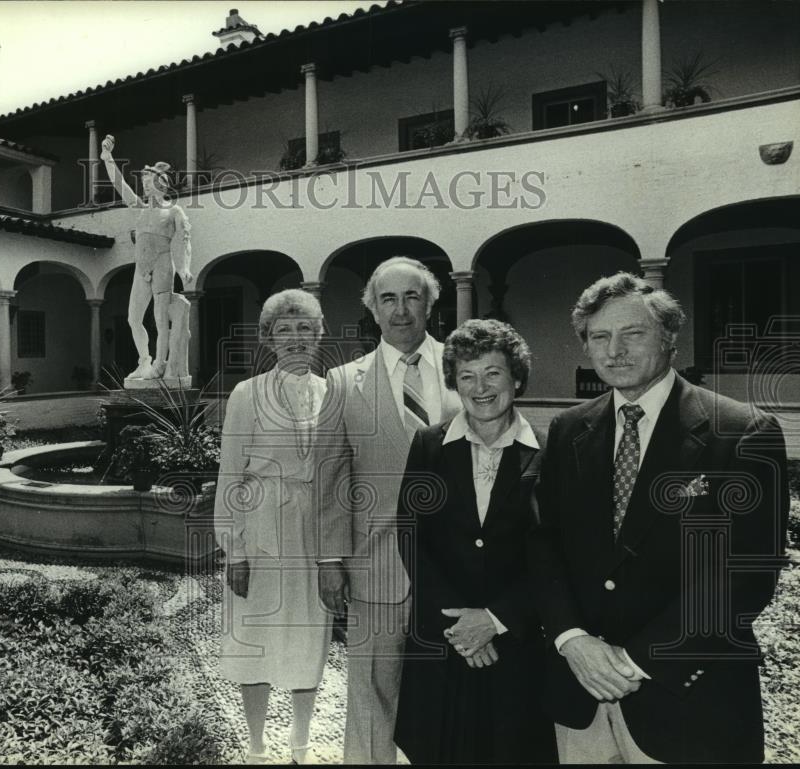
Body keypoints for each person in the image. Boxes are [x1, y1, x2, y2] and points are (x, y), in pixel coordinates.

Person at [530, 272, 789, 763]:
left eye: (633, 333)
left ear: (670, 338)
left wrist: (633, 661)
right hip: (579, 693)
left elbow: (746, 574)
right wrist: (571, 639)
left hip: (688, 700)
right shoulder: (568, 430)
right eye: (599, 337)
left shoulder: (741, 433)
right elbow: (544, 544)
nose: (615, 350)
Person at [314, 256, 462, 764]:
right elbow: (330, 479)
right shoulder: (342, 381)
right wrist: (331, 561)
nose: (401, 310)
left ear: (431, 304)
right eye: (389, 299)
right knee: (372, 696)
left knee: (453, 694)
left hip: (459, 568)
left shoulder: (465, 370)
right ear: (372, 309)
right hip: (375, 568)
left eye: (412, 296)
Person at [394, 319, 557, 764]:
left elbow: (556, 555)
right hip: (443, 641)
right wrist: (462, 627)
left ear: (517, 378)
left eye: (493, 373)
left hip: (515, 645)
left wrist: (495, 618)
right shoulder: (428, 446)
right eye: (467, 375)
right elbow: (411, 534)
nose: (480, 387)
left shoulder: (551, 453)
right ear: (454, 383)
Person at [216, 289, 334, 765]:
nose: (295, 338)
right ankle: (257, 746)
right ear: (268, 338)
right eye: (283, 330)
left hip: (314, 534)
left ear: (318, 334)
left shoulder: (333, 393)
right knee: (256, 640)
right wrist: (235, 551)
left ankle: (301, 744)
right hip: (262, 527)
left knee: (309, 638)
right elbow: (229, 473)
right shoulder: (247, 394)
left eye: (305, 328)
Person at [100, 135, 193, 382]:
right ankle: (144, 361)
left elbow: (184, 240)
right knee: (133, 318)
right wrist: (108, 158)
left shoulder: (173, 210)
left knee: (160, 319)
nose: (145, 187)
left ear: (161, 184)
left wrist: (184, 267)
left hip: (163, 266)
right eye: (144, 184)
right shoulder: (140, 209)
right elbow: (120, 185)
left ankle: (160, 364)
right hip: (141, 270)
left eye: (149, 183)